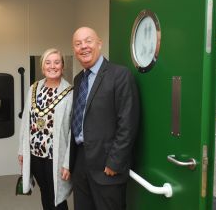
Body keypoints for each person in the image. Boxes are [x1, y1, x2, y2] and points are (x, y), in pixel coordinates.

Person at [69, 27, 140, 210]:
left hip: (107, 166)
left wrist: (115, 162)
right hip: (80, 160)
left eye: (88, 41)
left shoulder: (120, 75)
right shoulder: (78, 79)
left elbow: (128, 123)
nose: (83, 47)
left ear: (99, 43)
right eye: (78, 44)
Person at [18, 48, 73, 210]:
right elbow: (26, 122)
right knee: (45, 192)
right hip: (35, 154)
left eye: (57, 62)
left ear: (62, 67)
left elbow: (72, 131)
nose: (52, 66)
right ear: (43, 67)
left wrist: (68, 162)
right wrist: (21, 149)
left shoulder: (70, 93)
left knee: (58, 198)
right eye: (48, 63)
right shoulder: (34, 88)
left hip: (55, 156)